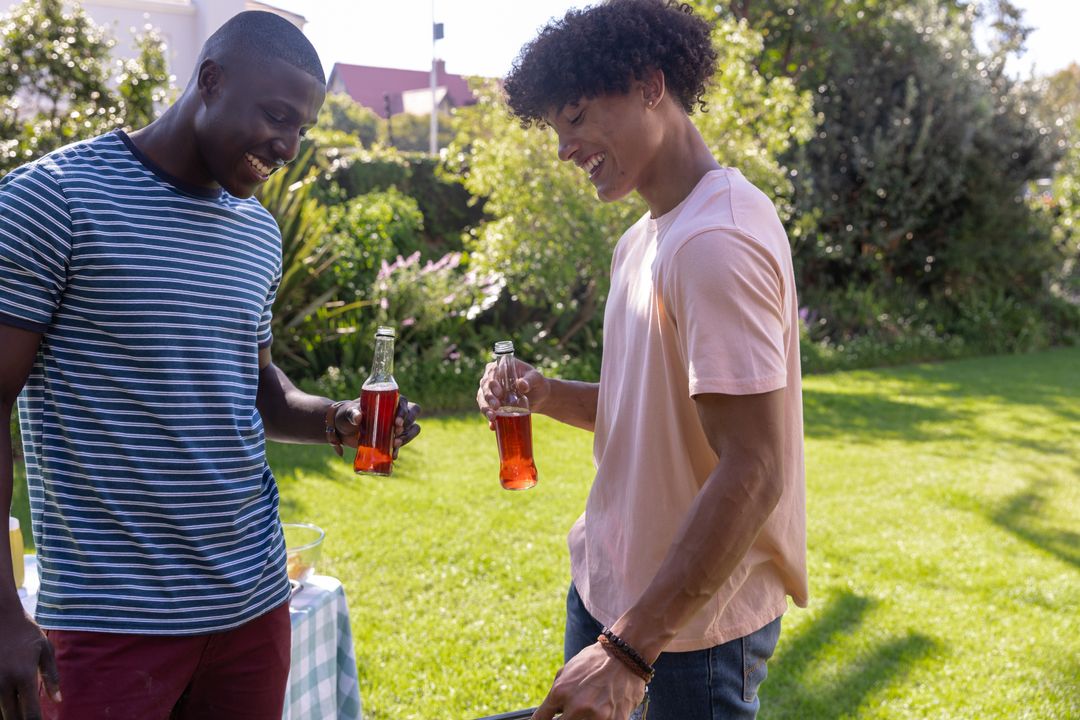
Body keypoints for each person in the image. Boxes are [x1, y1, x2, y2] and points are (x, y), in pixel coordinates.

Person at [0, 11, 419, 720]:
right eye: (276, 115)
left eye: (301, 129)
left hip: (254, 607)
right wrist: (4, 616)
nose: (287, 144)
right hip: (113, 623)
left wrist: (338, 420)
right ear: (211, 79)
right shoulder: (51, 200)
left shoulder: (257, 230)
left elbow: (260, 388)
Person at [476, 2, 807, 718]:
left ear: (650, 85)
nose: (565, 146)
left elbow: (755, 470)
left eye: (576, 117)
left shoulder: (716, 239)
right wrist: (545, 391)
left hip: (687, 634)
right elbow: (651, 407)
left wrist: (630, 650)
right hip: (611, 596)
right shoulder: (645, 239)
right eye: (556, 128)